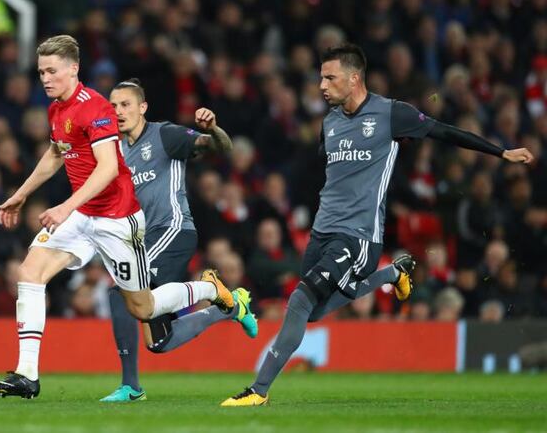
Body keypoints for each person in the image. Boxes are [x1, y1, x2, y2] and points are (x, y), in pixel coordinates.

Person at [221, 43, 534, 406]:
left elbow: (443, 131)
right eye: (321, 77)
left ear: (354, 79)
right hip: (322, 231)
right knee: (314, 311)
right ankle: (390, 275)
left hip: (358, 236)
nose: (321, 85)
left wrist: (501, 152)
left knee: (300, 299)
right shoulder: (330, 122)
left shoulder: (390, 114)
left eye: (329, 77)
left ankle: (258, 391)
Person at [0, 35, 238, 399]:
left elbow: (105, 170)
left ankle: (210, 289)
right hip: (83, 215)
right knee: (29, 272)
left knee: (142, 306)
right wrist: (21, 195)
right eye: (41, 71)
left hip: (117, 220)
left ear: (74, 69)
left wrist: (65, 206)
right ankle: (27, 374)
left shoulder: (97, 108)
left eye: (52, 70)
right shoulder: (56, 109)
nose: (45, 78)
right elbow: (56, 154)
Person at [99, 78, 257, 403]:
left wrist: (213, 129)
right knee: (159, 341)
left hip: (173, 230)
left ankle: (131, 387)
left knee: (120, 293)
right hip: (143, 240)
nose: (118, 111)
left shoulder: (165, 134)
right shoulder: (115, 151)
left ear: (142, 107)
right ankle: (229, 308)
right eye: (113, 106)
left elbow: (222, 148)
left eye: (126, 104)